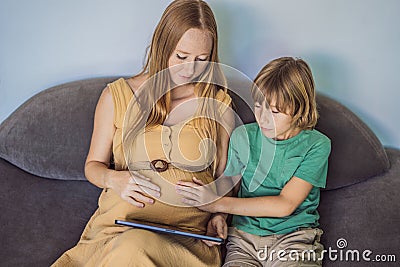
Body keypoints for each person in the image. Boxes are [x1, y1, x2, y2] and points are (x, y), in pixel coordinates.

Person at [52, 0, 233, 266]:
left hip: (187, 241)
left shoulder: (218, 105)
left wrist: (220, 216)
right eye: (181, 56)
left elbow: (225, 177)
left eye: (201, 59)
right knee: (131, 247)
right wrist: (115, 179)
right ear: (162, 46)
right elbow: (92, 166)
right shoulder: (117, 96)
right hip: (120, 231)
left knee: (134, 249)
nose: (189, 69)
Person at [176, 57, 331, 266]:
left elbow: (284, 205)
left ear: (299, 109)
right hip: (243, 240)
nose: (263, 118)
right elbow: (230, 185)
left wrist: (214, 203)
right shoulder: (243, 137)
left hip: (294, 239)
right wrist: (219, 216)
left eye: (275, 112)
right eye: (258, 106)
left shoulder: (317, 145)